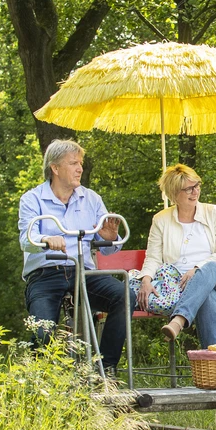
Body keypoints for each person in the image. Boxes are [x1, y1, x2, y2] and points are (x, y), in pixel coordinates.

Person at [18, 139, 130, 373]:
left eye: (80, 163)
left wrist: (110, 236)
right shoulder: (32, 199)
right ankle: (41, 380)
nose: (80, 168)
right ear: (55, 168)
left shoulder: (91, 198)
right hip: (46, 272)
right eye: (73, 163)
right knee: (42, 331)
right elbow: (26, 240)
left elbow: (108, 246)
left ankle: (105, 369)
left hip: (83, 272)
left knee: (124, 295)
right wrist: (45, 240)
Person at [138, 164, 216, 347]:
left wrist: (197, 269)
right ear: (173, 194)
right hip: (184, 287)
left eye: (196, 186)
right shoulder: (161, 219)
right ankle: (214, 369)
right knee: (207, 295)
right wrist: (146, 279)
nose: (195, 192)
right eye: (188, 189)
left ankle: (178, 320)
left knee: (209, 268)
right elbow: (153, 257)